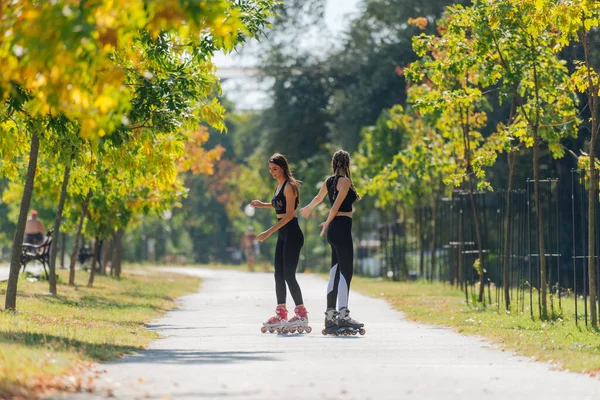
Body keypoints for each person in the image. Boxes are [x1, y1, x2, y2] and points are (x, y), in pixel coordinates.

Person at [301, 149, 364, 334]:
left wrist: (309, 207)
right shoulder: (345, 181)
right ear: (347, 163)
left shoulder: (329, 181)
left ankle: (330, 316)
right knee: (346, 272)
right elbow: (336, 206)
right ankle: (343, 315)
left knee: (335, 272)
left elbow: (319, 198)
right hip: (341, 228)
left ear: (334, 163)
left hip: (334, 230)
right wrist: (327, 222)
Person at [251, 153, 310, 333]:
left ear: (283, 168)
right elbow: (279, 204)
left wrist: (269, 231)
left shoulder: (289, 186)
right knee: (278, 274)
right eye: (270, 169)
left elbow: (290, 213)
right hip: (283, 234)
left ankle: (301, 314)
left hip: (292, 232)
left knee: (289, 275)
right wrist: (263, 205)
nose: (272, 173)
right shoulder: (279, 186)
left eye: (275, 169)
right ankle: (281, 313)